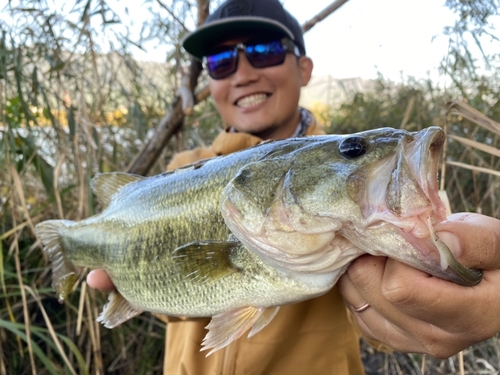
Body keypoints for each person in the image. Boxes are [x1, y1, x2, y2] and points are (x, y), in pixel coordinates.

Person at [87, 0, 500, 374]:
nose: (244, 73)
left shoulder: (357, 202)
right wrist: (140, 291)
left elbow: (385, 325)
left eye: (265, 50)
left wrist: (435, 309)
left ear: (304, 68)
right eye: (220, 61)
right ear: (208, 82)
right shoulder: (177, 171)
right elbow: (177, 299)